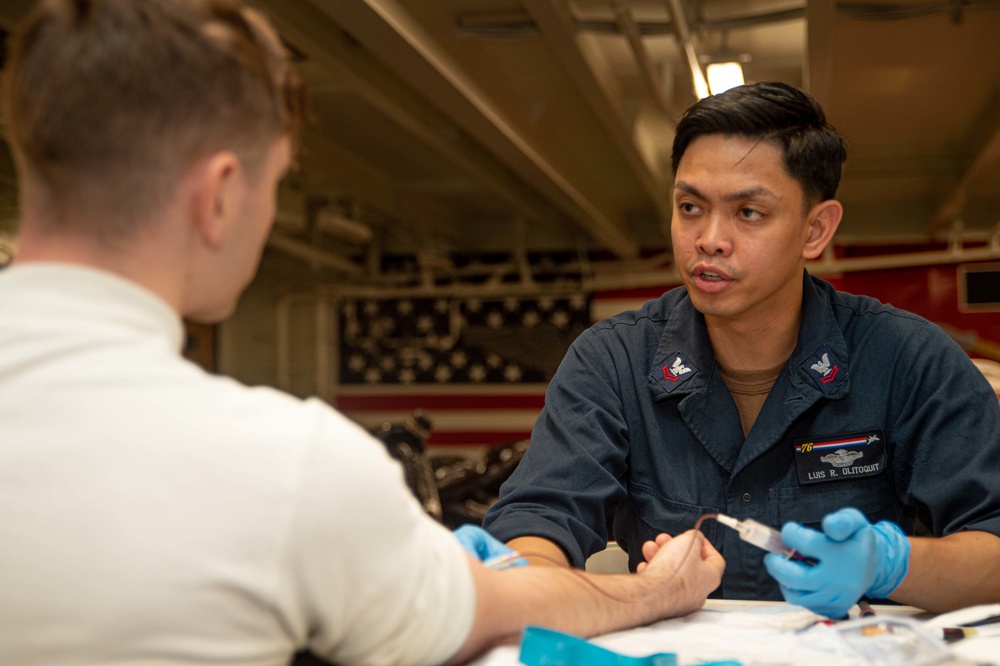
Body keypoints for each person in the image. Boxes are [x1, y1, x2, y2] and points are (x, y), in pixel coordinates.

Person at [0, 1, 724, 664]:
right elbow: (510, 606)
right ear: (219, 195)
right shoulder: (286, 468)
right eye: (274, 182)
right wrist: (661, 589)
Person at [483, 81, 1000, 618]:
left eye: (748, 212)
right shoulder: (612, 362)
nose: (709, 239)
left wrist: (892, 565)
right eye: (689, 207)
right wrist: (533, 579)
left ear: (816, 229)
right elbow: (537, 521)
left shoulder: (908, 359)